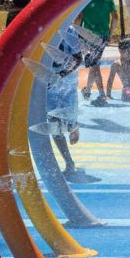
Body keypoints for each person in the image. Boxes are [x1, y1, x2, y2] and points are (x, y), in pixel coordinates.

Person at [46, 26, 84, 181]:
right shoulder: (43, 28)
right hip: (50, 87)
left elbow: (78, 58)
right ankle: (69, 162)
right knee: (54, 124)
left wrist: (62, 74)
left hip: (67, 84)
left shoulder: (70, 30)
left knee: (68, 125)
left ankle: (74, 125)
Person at [79, 0, 118, 105]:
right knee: (93, 64)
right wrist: (110, 34)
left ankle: (102, 95)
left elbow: (79, 17)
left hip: (87, 35)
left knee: (94, 65)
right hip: (102, 36)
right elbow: (115, 18)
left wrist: (76, 31)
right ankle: (87, 91)